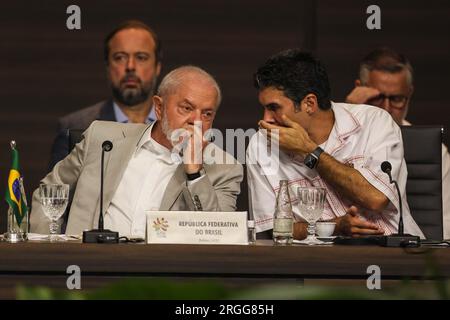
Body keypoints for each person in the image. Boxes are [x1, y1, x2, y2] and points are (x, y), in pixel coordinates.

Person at [31, 66, 243, 238]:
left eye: (207, 114)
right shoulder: (102, 137)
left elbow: (220, 236)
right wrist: (46, 252)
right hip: (89, 268)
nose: (196, 121)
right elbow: (49, 192)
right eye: (186, 108)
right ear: (159, 108)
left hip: (161, 280)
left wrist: (195, 173)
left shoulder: (224, 167)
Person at [247, 49, 424, 239]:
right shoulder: (261, 146)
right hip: (322, 262)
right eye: (264, 108)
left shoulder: (374, 121)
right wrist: (334, 227)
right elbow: (270, 230)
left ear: (309, 103)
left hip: (396, 255)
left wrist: (309, 151)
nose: (265, 119)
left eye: (273, 108)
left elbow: (376, 199)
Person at [346, 47, 450, 239]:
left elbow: (445, 228)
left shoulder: (433, 150)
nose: (386, 109)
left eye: (396, 99)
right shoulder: (341, 137)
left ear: (409, 94)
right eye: (377, 97)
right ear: (359, 88)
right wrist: (350, 113)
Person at [49, 20, 162, 169]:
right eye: (120, 57)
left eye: (141, 57)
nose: (130, 67)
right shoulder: (76, 127)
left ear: (157, 67)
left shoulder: (176, 126)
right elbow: (59, 190)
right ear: (107, 67)